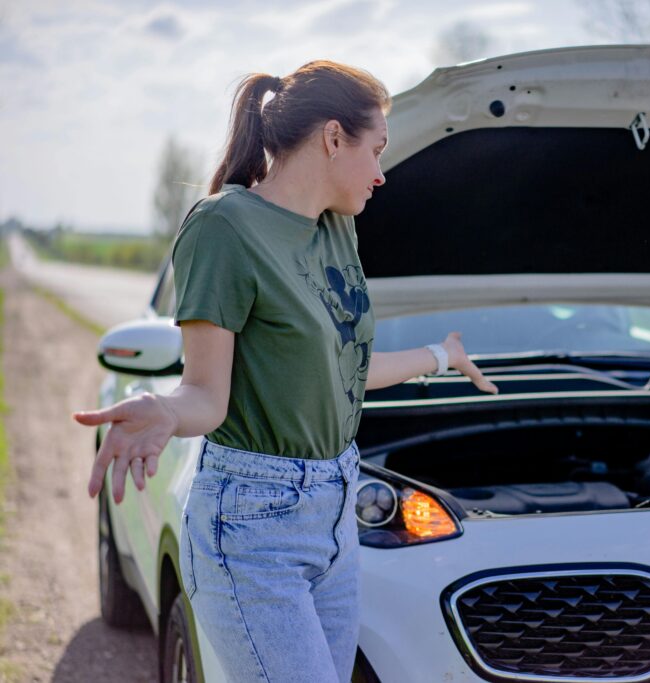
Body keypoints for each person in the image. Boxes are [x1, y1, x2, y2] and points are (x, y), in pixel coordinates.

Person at [72, 59, 498, 682]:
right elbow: (205, 395)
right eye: (376, 150)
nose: (382, 173)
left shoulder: (337, 230)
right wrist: (164, 410)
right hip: (252, 524)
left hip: (336, 509)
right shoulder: (225, 226)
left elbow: (342, 370)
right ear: (332, 137)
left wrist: (442, 356)